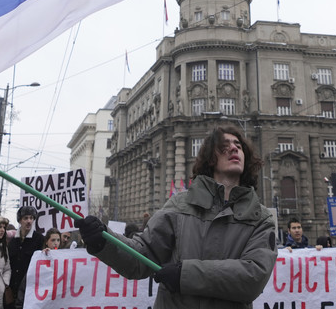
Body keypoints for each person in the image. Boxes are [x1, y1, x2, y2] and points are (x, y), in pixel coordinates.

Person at [75, 124, 277, 309]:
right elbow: (141, 257)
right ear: (210, 158)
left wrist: (185, 274)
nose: (234, 149)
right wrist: (104, 240)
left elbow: (253, 277)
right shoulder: (180, 206)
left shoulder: (260, 218)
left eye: (238, 145)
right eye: (224, 146)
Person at [7, 206, 44, 308]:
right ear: (20, 220)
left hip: (28, 290)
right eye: (25, 218)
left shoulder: (39, 239)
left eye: (31, 218)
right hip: (11, 290)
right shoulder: (13, 241)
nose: (29, 221)